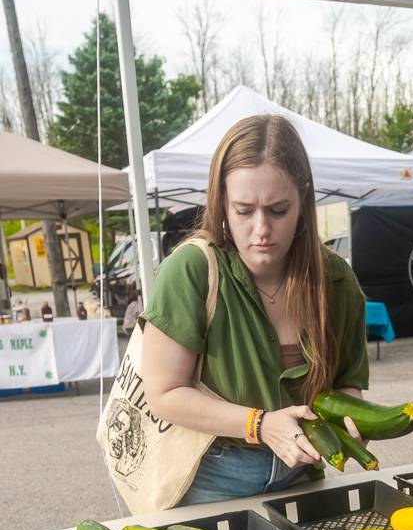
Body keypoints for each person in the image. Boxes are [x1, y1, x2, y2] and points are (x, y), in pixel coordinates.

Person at [140, 114, 368, 504]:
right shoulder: (192, 270)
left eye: (278, 210)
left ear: (304, 202)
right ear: (222, 204)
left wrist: (351, 423)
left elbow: (348, 384)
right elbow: (164, 392)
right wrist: (260, 425)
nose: (261, 229)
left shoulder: (336, 280)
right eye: (244, 210)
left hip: (304, 474)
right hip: (209, 476)